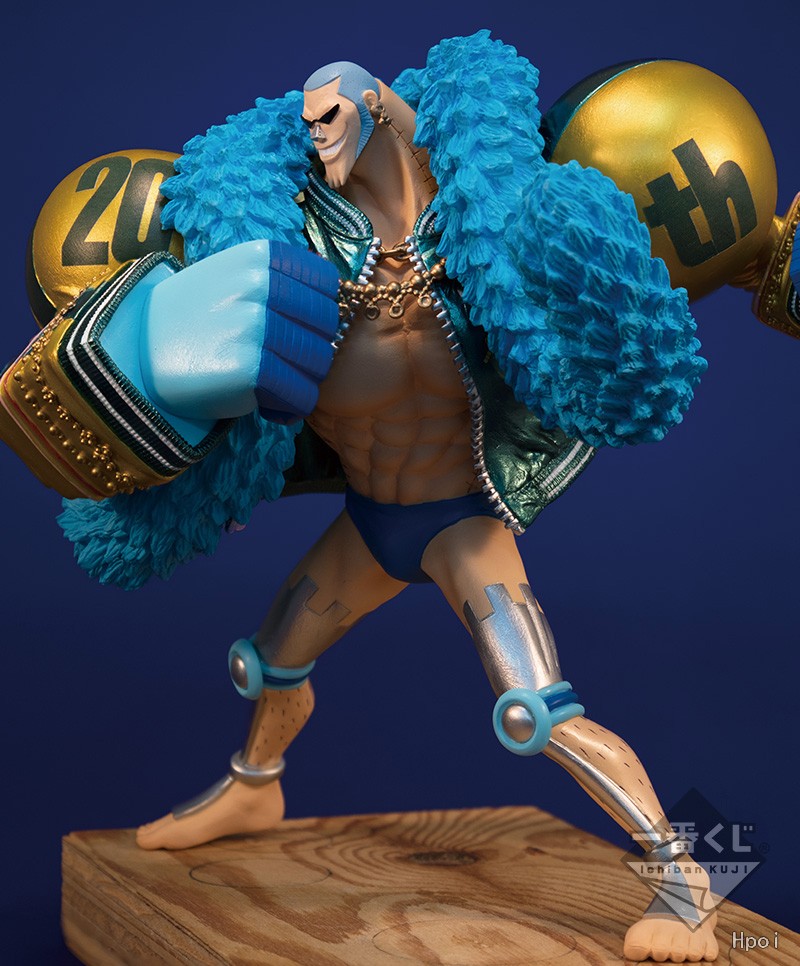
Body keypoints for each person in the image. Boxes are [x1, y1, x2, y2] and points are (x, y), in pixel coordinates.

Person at [4, 33, 729, 962]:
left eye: (335, 116)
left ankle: (690, 869)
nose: (322, 139)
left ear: (377, 107)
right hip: (371, 523)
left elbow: (598, 311)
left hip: (462, 522)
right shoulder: (286, 251)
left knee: (535, 714)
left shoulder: (484, 231)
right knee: (267, 662)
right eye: (310, 126)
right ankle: (254, 785)